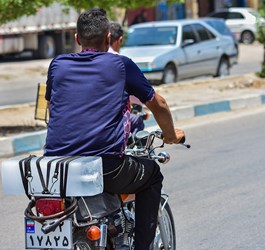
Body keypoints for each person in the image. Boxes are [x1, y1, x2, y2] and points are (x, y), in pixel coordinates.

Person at [44, 8, 185, 250]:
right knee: (151, 175)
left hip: (59, 167)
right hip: (106, 167)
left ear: (77, 39)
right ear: (109, 39)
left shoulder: (57, 64)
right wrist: (171, 135)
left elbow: (52, 106)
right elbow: (158, 103)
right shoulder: (120, 65)